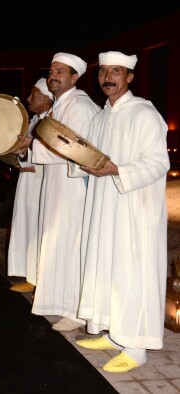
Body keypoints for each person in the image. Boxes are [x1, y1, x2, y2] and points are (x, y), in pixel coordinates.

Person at [73, 51, 170, 372]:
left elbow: (159, 163)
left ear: (129, 77)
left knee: (133, 273)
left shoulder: (144, 113)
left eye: (116, 71)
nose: (108, 77)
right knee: (108, 269)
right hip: (105, 208)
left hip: (134, 210)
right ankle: (116, 335)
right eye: (103, 71)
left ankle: (136, 346)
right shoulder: (100, 118)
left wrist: (119, 170)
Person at [30, 52, 100, 331]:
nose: (54, 75)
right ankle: (61, 302)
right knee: (58, 244)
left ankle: (77, 311)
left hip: (75, 188)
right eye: (52, 70)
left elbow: (73, 151)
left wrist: (28, 146)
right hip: (59, 186)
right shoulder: (59, 106)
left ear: (75, 77)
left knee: (73, 246)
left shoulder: (79, 106)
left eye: (61, 71)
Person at [6, 78, 53, 292]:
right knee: (27, 226)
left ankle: (41, 280)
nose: (28, 98)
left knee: (37, 229)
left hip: (42, 183)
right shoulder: (34, 120)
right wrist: (21, 153)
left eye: (34, 95)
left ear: (47, 99)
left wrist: (30, 160)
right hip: (28, 183)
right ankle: (31, 276)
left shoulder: (52, 121)